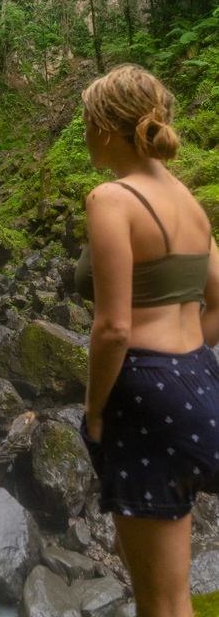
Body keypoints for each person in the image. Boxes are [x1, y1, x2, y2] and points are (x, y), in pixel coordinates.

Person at [74, 63, 219, 617]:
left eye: (86, 122)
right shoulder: (190, 204)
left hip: (147, 403)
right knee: (169, 593)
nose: (84, 134)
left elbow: (113, 327)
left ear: (107, 130)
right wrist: (183, 363)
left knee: (159, 604)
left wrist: (93, 412)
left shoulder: (112, 199)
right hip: (202, 387)